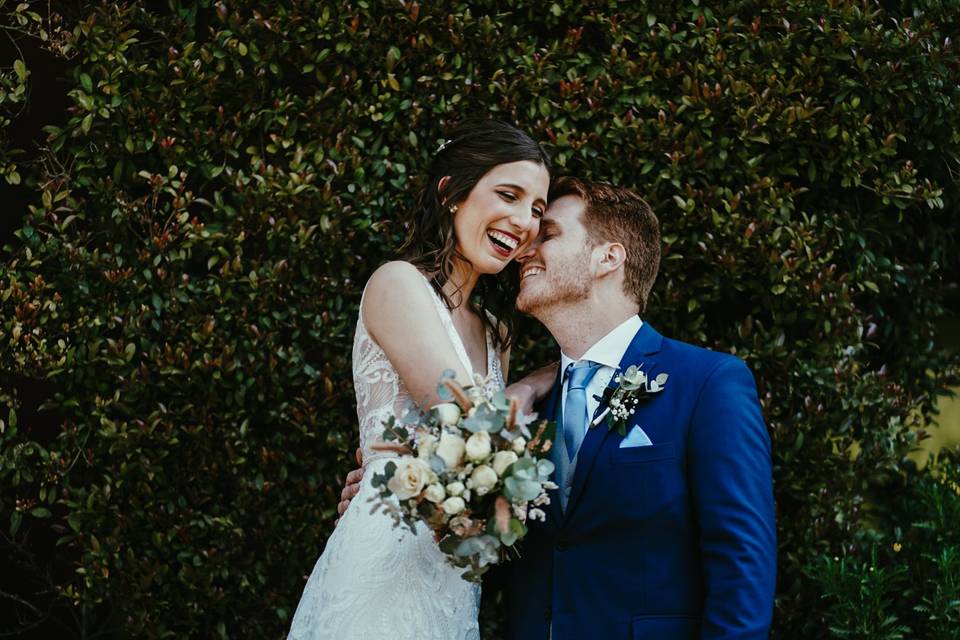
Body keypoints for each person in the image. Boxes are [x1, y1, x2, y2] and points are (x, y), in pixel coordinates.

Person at [338, 177, 777, 639]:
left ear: (608, 257)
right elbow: (494, 548)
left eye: (547, 235)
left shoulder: (707, 384)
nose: (524, 250)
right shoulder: (516, 414)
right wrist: (409, 491)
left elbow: (742, 563)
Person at [286, 120, 556, 640]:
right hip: (382, 562)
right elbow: (468, 430)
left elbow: (482, 472)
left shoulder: (497, 332)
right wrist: (539, 381)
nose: (524, 221)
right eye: (508, 194)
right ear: (451, 193)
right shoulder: (398, 283)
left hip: (451, 576)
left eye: (538, 210)